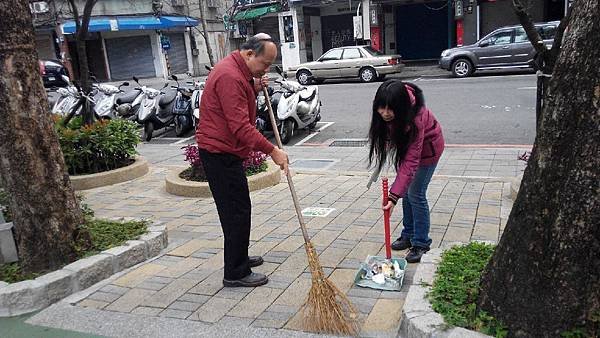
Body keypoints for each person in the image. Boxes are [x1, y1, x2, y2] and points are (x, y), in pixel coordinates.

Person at [196, 33, 289, 287]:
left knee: (239, 208)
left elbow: (238, 97)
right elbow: (240, 127)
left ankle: (240, 256)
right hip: (219, 153)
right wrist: (273, 151)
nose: (266, 69)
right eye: (265, 64)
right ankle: (235, 273)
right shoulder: (230, 76)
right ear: (249, 54)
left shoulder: (238, 71)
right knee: (235, 212)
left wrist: (255, 85)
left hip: (226, 151)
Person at [368, 80, 445, 263]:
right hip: (409, 149)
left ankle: (421, 243)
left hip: (428, 152)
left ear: (401, 107)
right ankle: (408, 234)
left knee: (415, 194)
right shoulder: (395, 107)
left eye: (390, 109)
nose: (385, 113)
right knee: (407, 194)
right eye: (381, 108)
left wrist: (393, 197)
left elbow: (411, 161)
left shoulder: (416, 118)